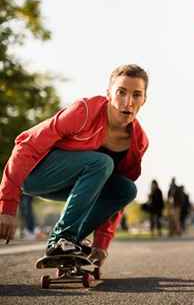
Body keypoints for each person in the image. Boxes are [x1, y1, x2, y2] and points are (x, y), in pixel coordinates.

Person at [0, 64, 149, 267]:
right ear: (109, 94)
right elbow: (27, 144)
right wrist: (8, 206)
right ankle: (62, 238)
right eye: (121, 92)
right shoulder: (84, 112)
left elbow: (116, 201)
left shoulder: (138, 141)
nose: (128, 102)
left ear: (144, 100)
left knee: (125, 189)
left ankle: (72, 242)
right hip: (37, 175)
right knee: (102, 163)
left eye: (136, 95)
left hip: (79, 184)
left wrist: (102, 242)